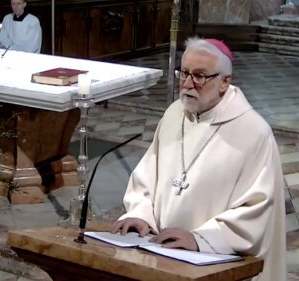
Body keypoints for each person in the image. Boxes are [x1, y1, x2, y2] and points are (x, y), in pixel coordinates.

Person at [110, 37, 286, 281]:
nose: (188, 84)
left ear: (225, 82)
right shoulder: (174, 114)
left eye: (200, 76)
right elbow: (148, 175)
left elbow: (257, 207)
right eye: (184, 73)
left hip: (212, 262)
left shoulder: (253, 132)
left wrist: (201, 238)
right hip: (159, 250)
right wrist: (140, 214)